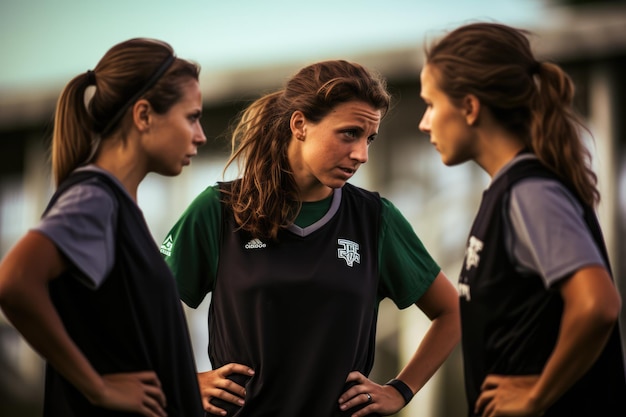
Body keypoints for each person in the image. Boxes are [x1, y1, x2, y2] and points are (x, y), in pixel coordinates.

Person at [160, 59, 460, 417]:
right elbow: (142, 306)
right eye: (349, 133)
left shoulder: (375, 219)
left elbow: (452, 311)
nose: (361, 154)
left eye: (369, 138)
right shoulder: (219, 210)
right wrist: (182, 379)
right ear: (300, 124)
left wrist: (400, 390)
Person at [418, 22, 626, 417]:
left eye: (431, 103)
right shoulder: (509, 191)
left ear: (469, 107)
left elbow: (598, 304)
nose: (424, 122)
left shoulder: (530, 193)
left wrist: (537, 396)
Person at [0, 38, 207, 416]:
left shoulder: (115, 206)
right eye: (191, 117)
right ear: (143, 115)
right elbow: (14, 281)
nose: (201, 135)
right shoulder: (96, 200)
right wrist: (97, 388)